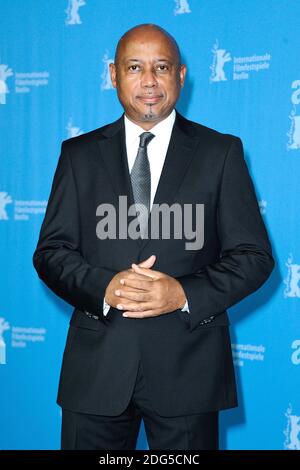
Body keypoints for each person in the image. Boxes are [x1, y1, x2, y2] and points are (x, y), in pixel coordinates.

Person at [33, 24, 274, 450]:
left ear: (181, 75)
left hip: (189, 371)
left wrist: (182, 293)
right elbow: (52, 252)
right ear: (113, 75)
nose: (149, 81)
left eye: (161, 67)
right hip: (97, 373)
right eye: (134, 67)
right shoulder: (78, 155)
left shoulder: (221, 152)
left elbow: (253, 256)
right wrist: (103, 287)